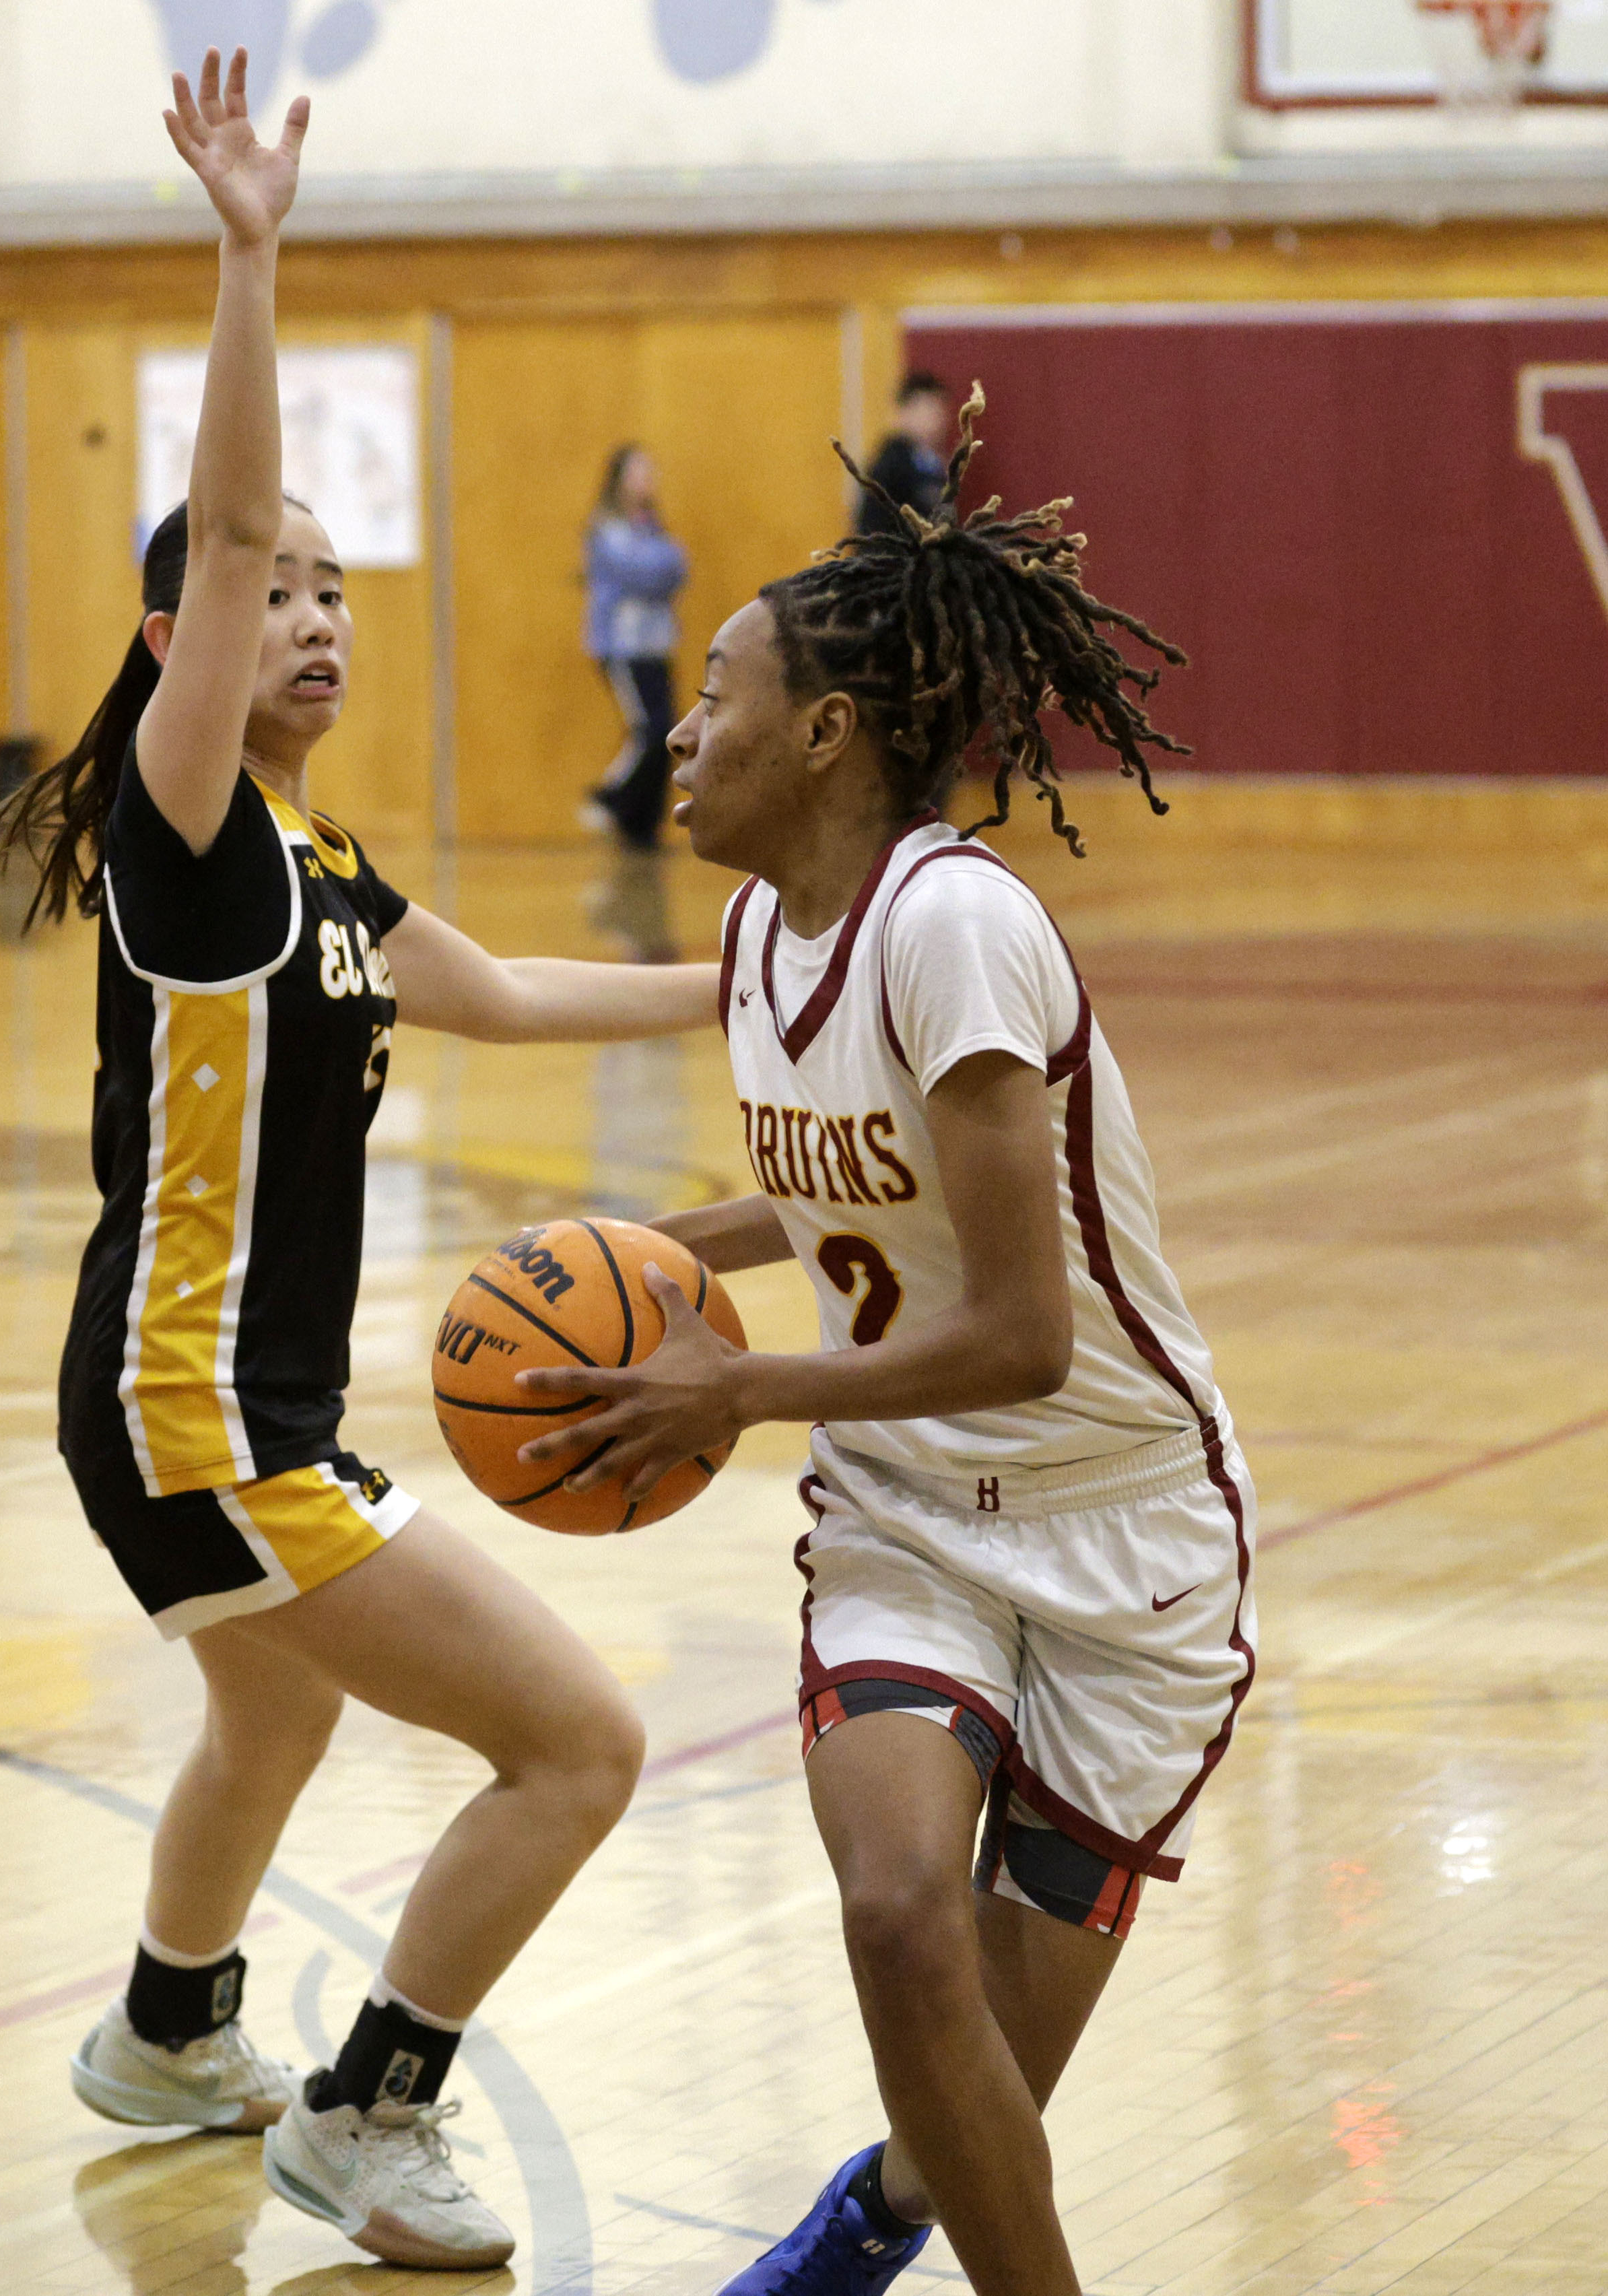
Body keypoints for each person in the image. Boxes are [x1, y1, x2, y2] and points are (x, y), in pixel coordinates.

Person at [0, 55, 717, 2274]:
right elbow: (210, 534)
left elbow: (501, 996)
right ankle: (368, 2109)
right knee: (582, 1744)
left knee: (271, 1710)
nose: (304, 609)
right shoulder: (186, 837)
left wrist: (773, 970)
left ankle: (167, 2036)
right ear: (181, 643)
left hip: (208, 1410)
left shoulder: (312, 859)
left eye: (329, 589)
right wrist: (250, 254)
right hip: (193, 1417)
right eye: (265, 589)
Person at [517, 395, 1249, 2296]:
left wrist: (736, 1379)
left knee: (974, 2095)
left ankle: (881, 2223)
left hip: (1124, 1534)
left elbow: (1014, 1326)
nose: (679, 730)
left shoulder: (954, 929)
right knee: (895, 1917)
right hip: (904, 1513)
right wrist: (671, 1249)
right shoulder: (760, 934)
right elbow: (860, 1180)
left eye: (713, 693)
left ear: (826, 733)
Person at [582, 442, 689, 852]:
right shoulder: (607, 529)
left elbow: (676, 567)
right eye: (639, 470)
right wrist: (660, 565)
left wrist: (661, 563)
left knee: (668, 734)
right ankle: (609, 798)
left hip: (656, 644)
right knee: (651, 729)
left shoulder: (651, 527)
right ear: (619, 479)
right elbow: (644, 572)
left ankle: (642, 828)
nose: (648, 478)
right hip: (623, 647)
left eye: (651, 470)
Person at [854, 372, 953, 541]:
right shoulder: (888, 466)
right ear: (904, 412)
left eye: (939, 411)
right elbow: (871, 530)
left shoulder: (934, 464)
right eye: (927, 411)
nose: (936, 420)